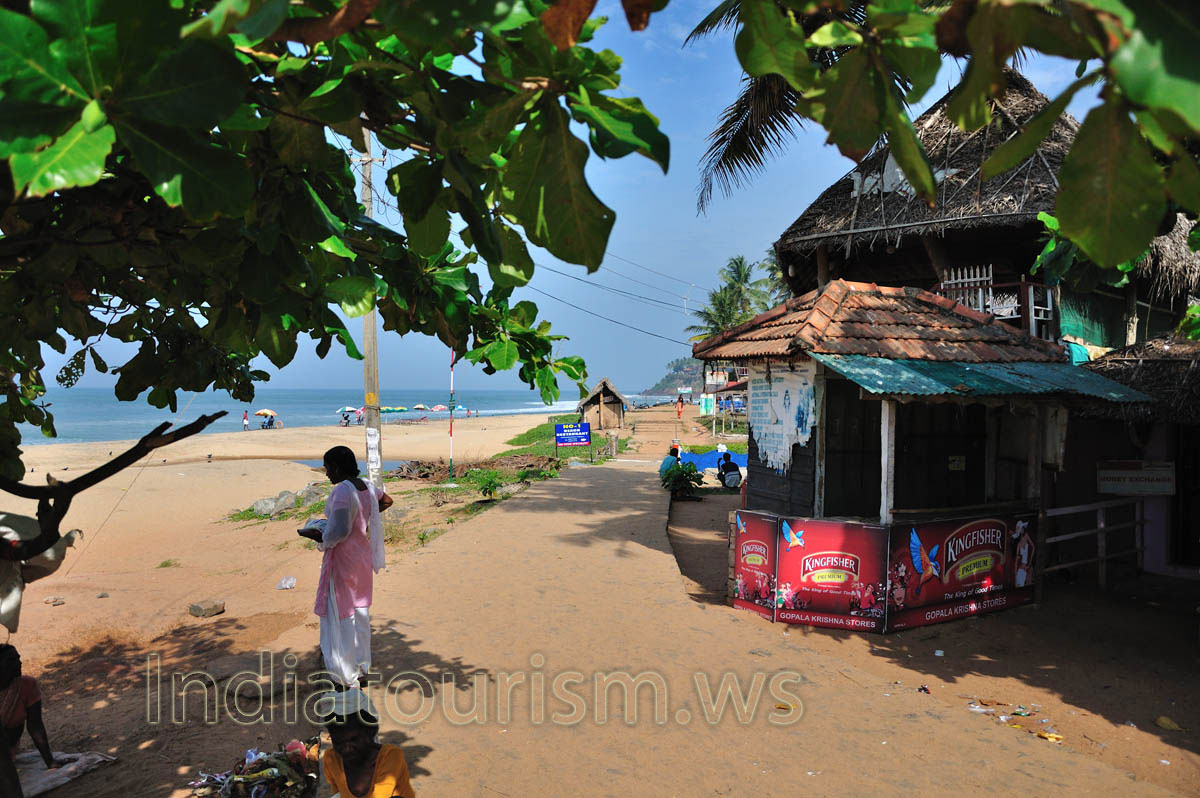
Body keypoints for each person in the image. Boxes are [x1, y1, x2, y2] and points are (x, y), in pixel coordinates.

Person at [298, 447, 393, 688]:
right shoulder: (366, 486)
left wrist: (319, 536)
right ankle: (362, 669)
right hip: (361, 559)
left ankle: (343, 675)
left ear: (338, 467)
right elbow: (387, 500)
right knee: (359, 613)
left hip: (343, 562)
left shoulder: (342, 491)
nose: (326, 473)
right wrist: (364, 518)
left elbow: (338, 531)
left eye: (328, 468)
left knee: (341, 616)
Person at [320, 689, 415, 797]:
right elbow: (338, 793)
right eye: (338, 741)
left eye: (353, 739)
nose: (346, 748)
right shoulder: (331, 759)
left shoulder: (391, 756)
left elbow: (380, 795)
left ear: (371, 732)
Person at [1, 645, 65, 774]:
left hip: (7, 753)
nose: (19, 663)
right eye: (11, 660)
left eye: (18, 658)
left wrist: (50, 761)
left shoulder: (27, 685)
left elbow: (35, 726)